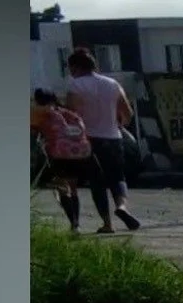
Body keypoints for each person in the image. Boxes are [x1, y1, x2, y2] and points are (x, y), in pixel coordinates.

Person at [64, 47, 141, 234]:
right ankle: (122, 207)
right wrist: (118, 125)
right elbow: (128, 113)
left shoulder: (76, 86)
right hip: (113, 137)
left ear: (75, 67)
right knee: (117, 177)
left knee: (96, 181)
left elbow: (71, 115)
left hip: (89, 140)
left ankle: (107, 224)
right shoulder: (112, 84)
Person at [30, 89, 94, 233]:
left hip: (58, 154)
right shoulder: (69, 113)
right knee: (73, 189)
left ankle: (74, 224)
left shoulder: (41, 114)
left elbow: (33, 133)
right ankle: (77, 224)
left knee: (62, 188)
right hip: (78, 154)